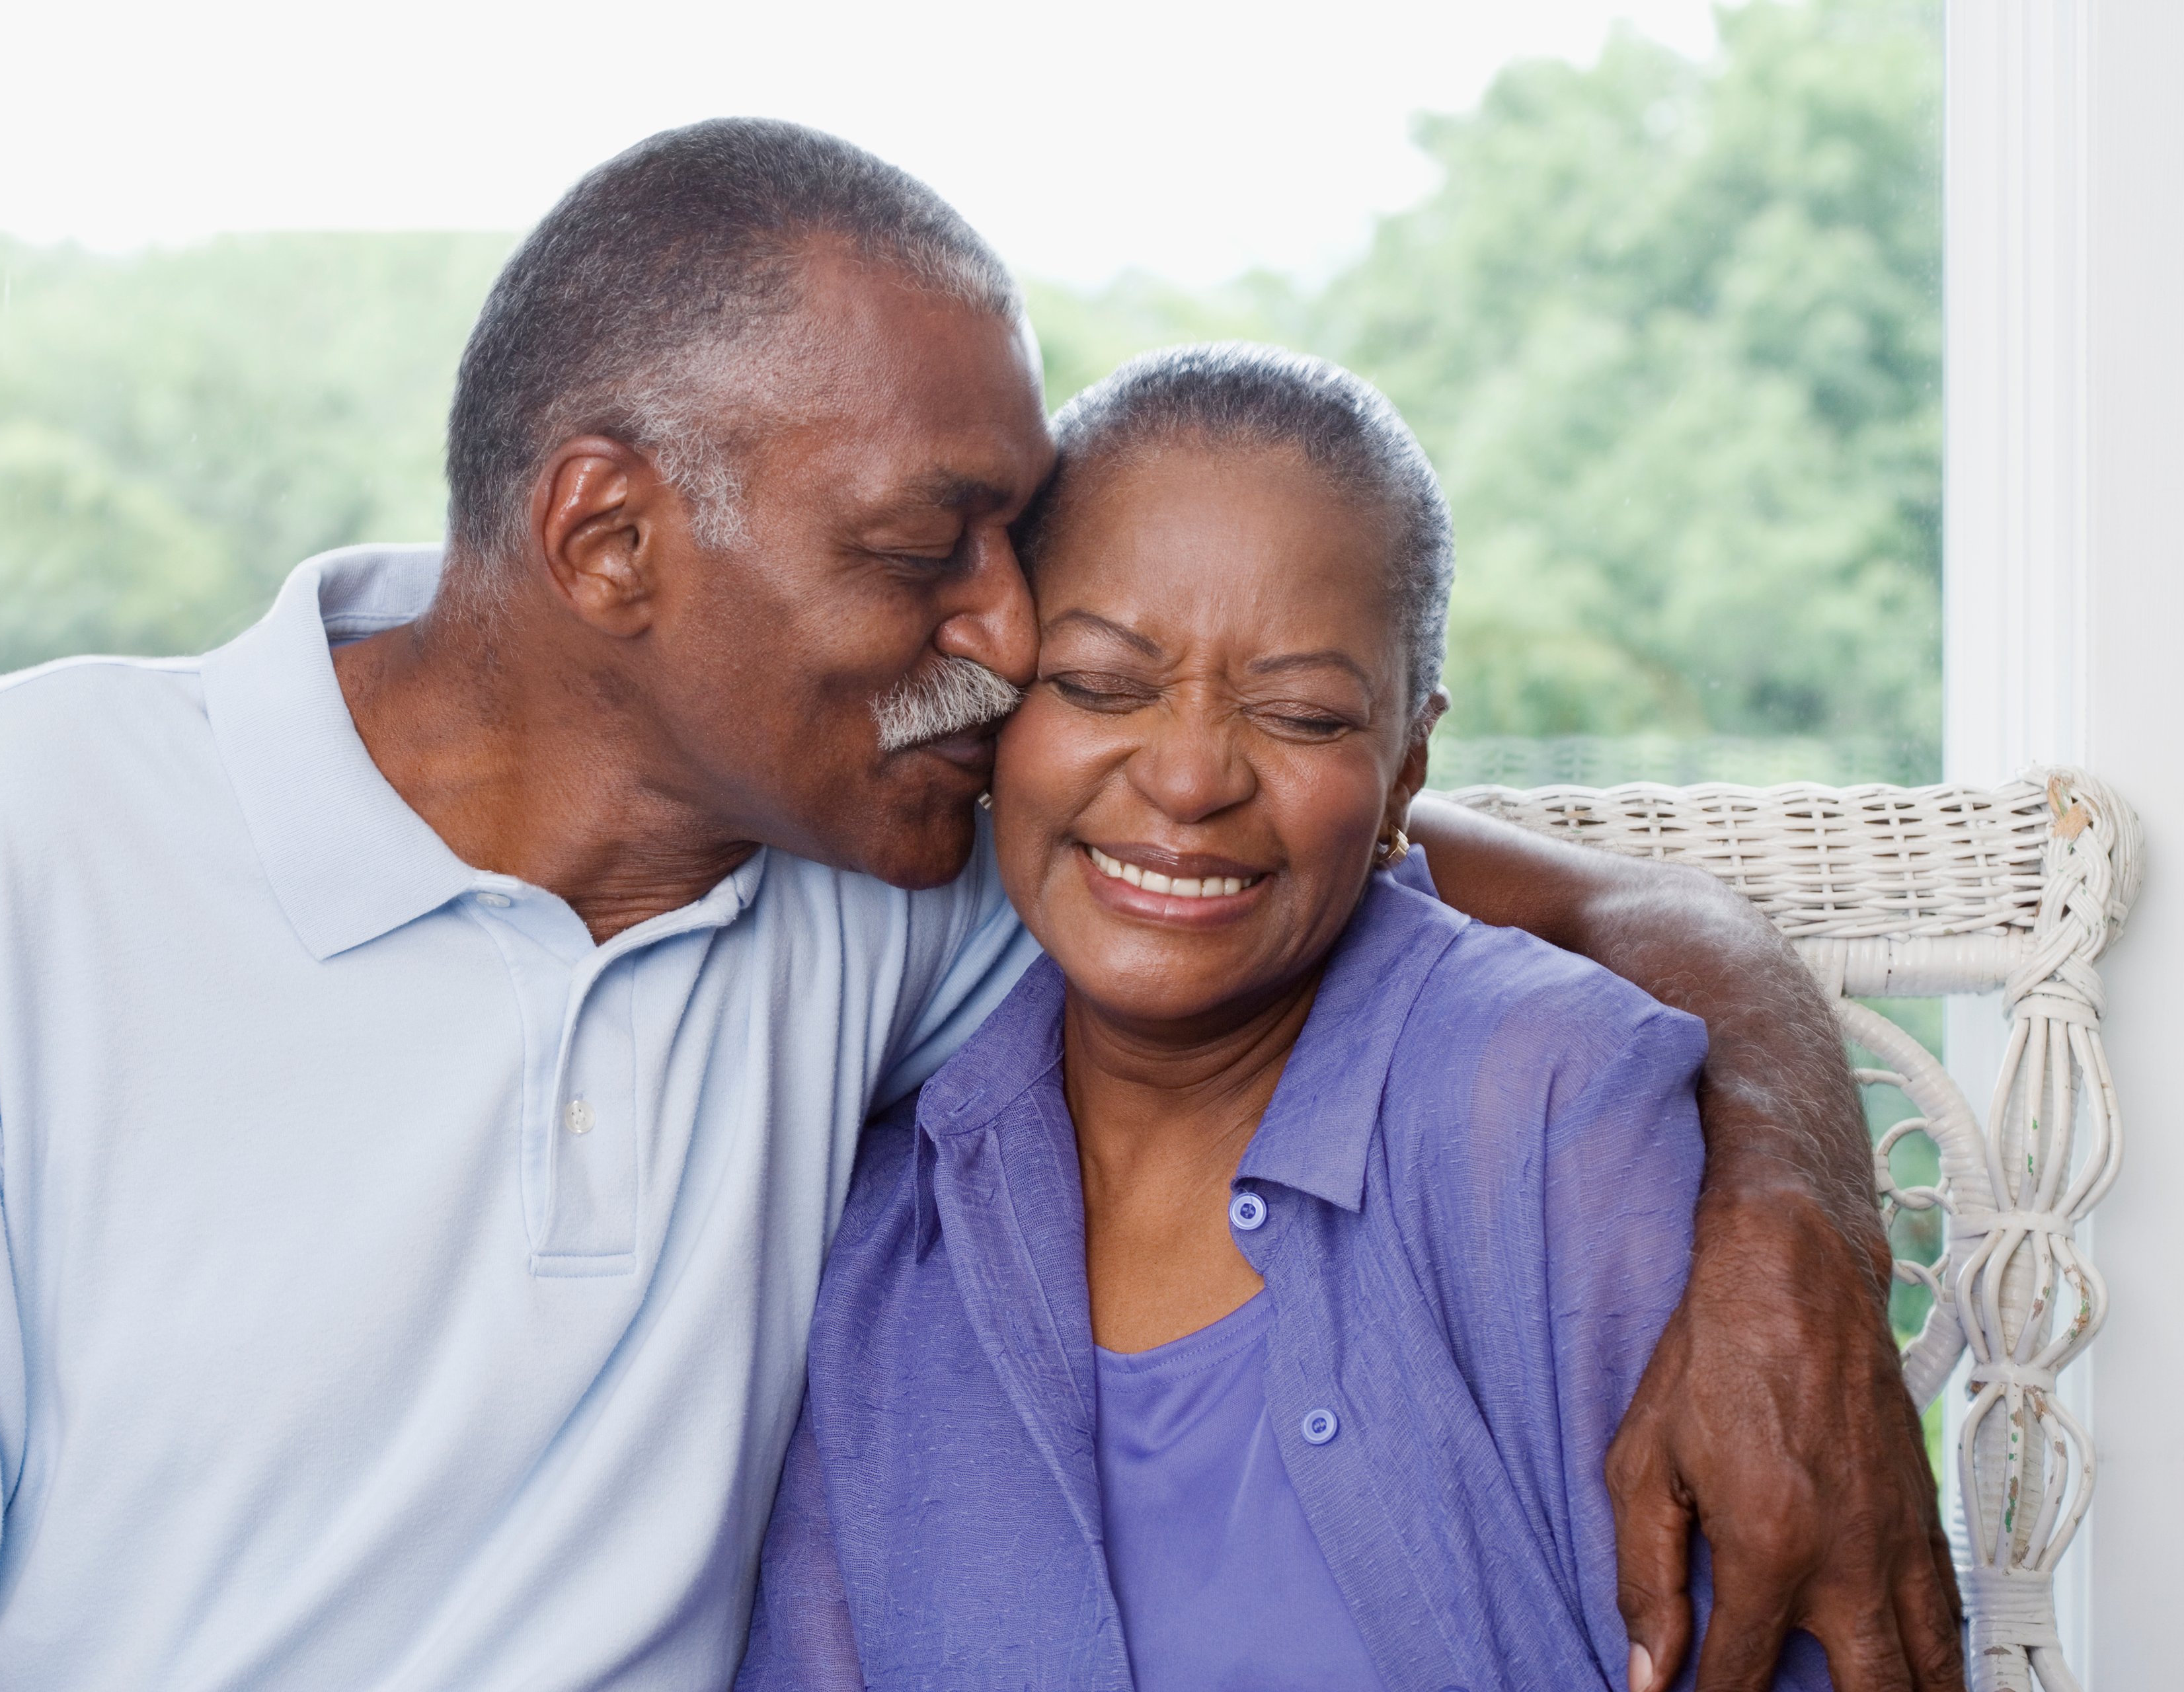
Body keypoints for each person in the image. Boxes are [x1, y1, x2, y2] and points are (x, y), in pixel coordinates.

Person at [0, 123, 1953, 1692]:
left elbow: (1619, 912)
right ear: (607, 538)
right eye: (924, 545)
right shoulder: (22, 828)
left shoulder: (903, 879)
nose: (1006, 628)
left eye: (1019, 548)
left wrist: (1788, 1227)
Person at [739, 344, 1842, 1692]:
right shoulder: (878, 1226)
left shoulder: (1554, 1111)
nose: (1193, 774)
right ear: (995, 716)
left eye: (1301, 712)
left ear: (1404, 777)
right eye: (1097, 683)